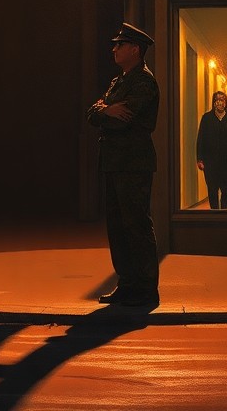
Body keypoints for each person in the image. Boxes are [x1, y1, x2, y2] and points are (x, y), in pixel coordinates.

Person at [86, 22, 160, 308]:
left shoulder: (143, 81)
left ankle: (145, 288)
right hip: (115, 162)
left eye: (120, 44)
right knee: (118, 226)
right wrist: (106, 109)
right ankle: (128, 283)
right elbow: (92, 113)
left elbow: (121, 118)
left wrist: (106, 111)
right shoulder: (119, 81)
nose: (114, 48)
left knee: (136, 224)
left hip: (133, 162)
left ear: (136, 50)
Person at [196, 90, 227, 209]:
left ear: (226, 102)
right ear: (213, 102)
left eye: (222, 100)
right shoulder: (206, 118)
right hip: (210, 161)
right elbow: (201, 139)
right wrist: (200, 159)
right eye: (217, 100)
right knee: (212, 189)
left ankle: (225, 213)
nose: (220, 102)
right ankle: (214, 214)